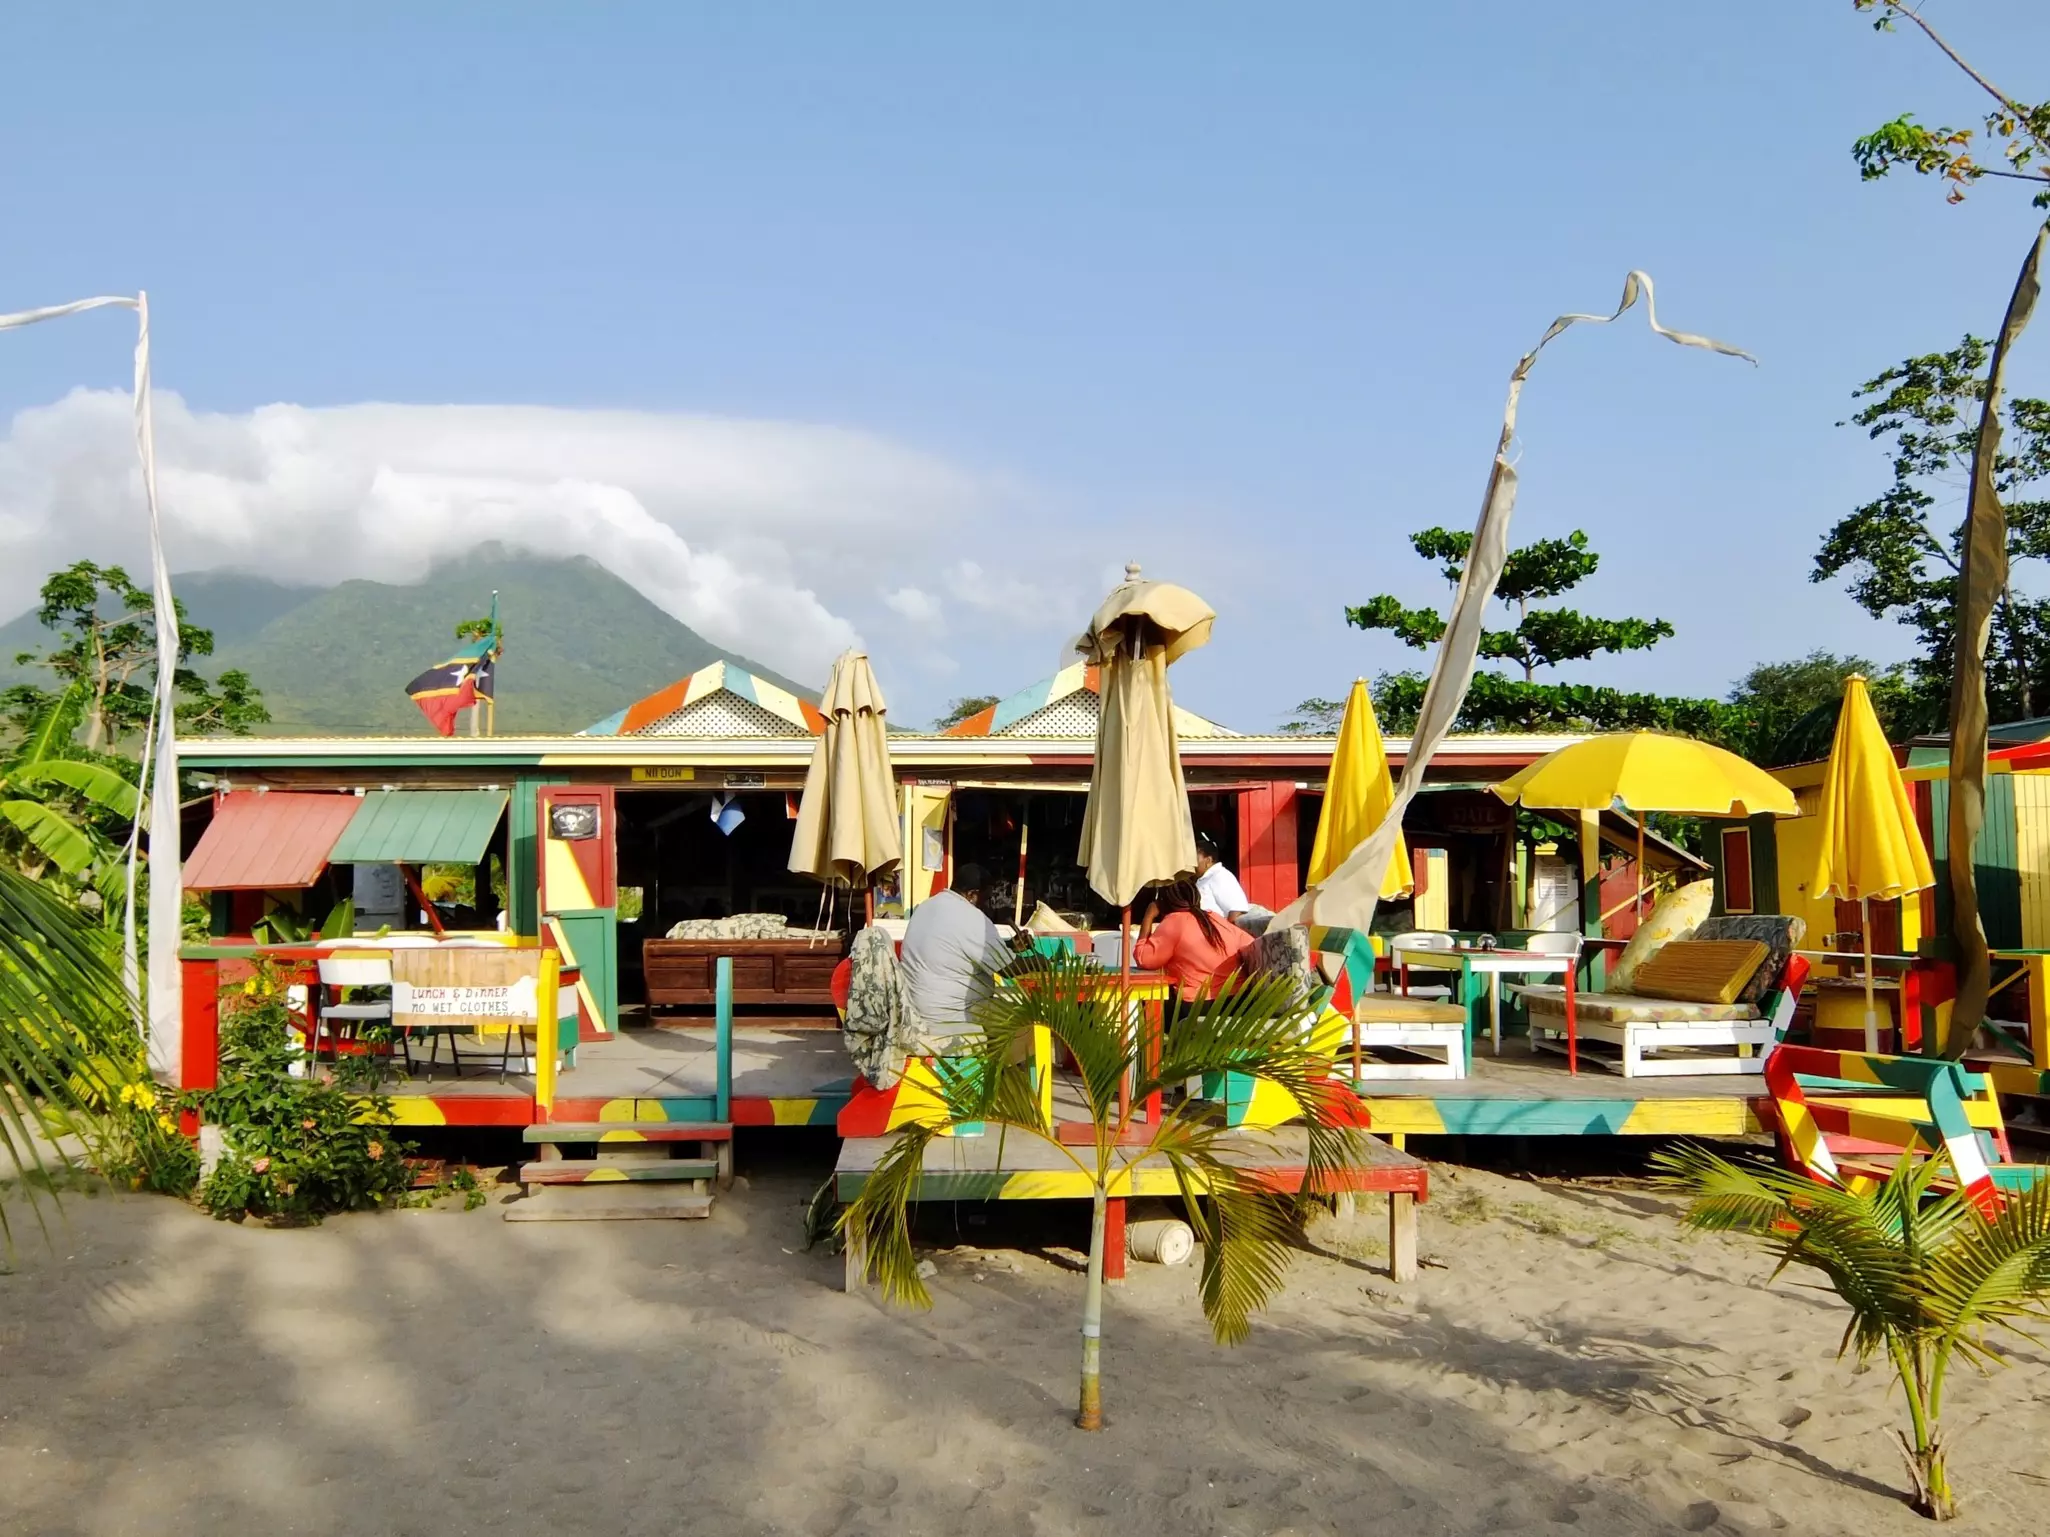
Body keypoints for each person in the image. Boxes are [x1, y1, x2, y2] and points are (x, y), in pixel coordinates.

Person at [898, 862, 1011, 1036]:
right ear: (972, 895)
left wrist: (1010, 946)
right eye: (986, 898)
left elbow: (955, 948)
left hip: (918, 1009)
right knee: (1022, 1019)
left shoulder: (926, 906)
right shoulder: (972, 917)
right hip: (952, 1014)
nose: (988, 904)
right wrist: (1045, 962)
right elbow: (1008, 969)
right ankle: (1005, 1063)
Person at [1134, 877, 1254, 999]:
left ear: (1163, 903)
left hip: (1198, 1002)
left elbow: (1144, 960)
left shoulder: (1174, 921)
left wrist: (1148, 917)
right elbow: (1250, 944)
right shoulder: (1214, 918)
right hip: (1237, 997)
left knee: (1149, 998)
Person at [1193, 832, 1256, 924]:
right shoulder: (1204, 878)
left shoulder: (1220, 876)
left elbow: (1236, 910)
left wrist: (1227, 935)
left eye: (1195, 859)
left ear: (1208, 860)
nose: (1192, 864)